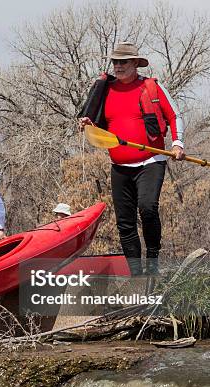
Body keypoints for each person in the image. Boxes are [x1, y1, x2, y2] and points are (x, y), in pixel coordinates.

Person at [79, 41, 185, 275]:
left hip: (151, 162)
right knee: (124, 223)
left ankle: (153, 262)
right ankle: (137, 275)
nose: (118, 66)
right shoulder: (105, 90)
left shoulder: (152, 88)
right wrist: (88, 124)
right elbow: (96, 122)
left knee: (147, 208)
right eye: (115, 62)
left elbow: (175, 116)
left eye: (123, 61)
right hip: (119, 166)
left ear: (135, 63)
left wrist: (178, 143)